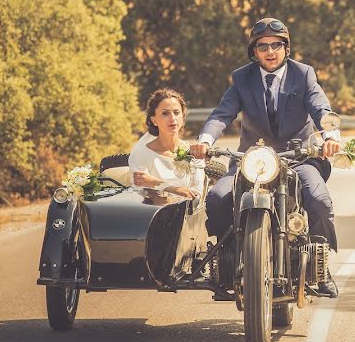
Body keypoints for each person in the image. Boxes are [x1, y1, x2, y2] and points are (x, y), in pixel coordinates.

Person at [190, 17, 341, 297]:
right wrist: (205, 140)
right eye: (262, 46)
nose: (270, 51)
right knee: (217, 198)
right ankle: (229, 262)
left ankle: (320, 269)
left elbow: (321, 108)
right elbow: (221, 115)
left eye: (276, 45)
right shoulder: (241, 78)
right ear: (254, 51)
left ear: (286, 48)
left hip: (298, 157)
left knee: (319, 199)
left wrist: (330, 136)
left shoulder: (303, 74)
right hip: (252, 160)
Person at [130, 88, 204, 201]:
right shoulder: (141, 153)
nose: (172, 118)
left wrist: (156, 183)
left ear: (183, 118)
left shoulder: (194, 153)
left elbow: (196, 195)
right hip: (153, 214)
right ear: (154, 120)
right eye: (165, 113)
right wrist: (175, 190)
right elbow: (140, 195)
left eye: (176, 112)